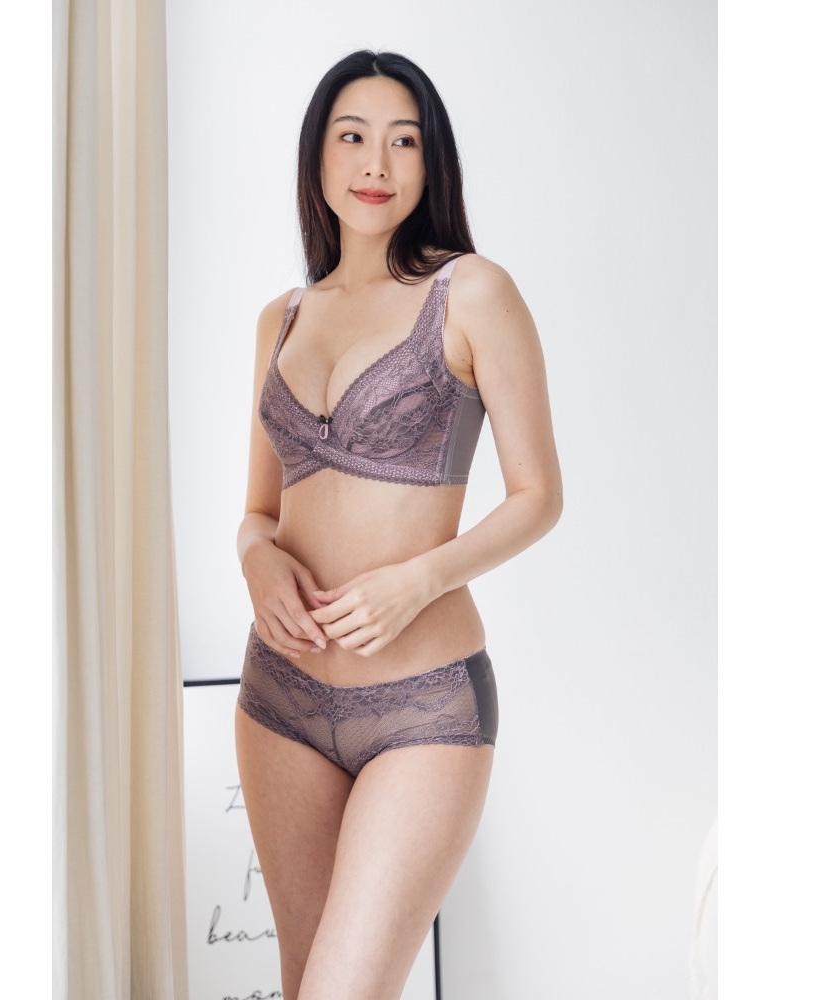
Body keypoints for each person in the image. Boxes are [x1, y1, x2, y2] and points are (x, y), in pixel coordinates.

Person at [234, 49, 562, 1000]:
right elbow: (257, 512)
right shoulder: (281, 318)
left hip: (423, 705)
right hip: (281, 698)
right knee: (302, 984)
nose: (376, 162)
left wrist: (417, 579)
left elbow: (538, 495)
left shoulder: (473, 291)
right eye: (353, 136)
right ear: (319, 156)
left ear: (430, 162)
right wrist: (256, 561)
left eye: (403, 141)